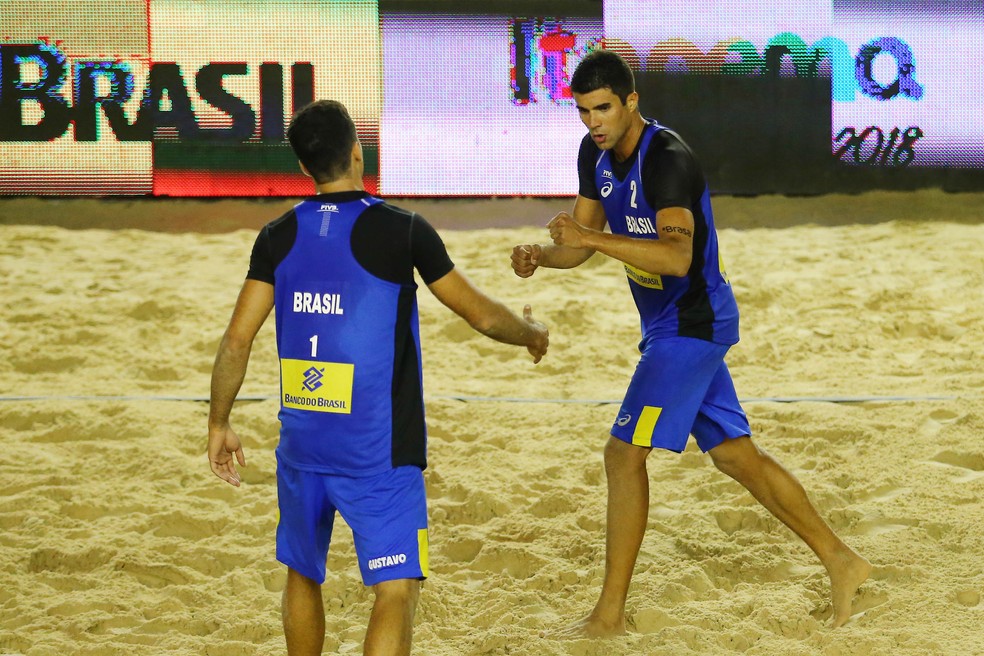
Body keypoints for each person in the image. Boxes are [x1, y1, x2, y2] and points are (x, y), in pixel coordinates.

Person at [511, 49, 870, 636]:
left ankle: (608, 616)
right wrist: (544, 257)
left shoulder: (668, 160)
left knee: (623, 454)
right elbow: (579, 242)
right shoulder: (593, 154)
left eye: (603, 108)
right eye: (582, 112)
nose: (593, 122)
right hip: (668, 327)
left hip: (693, 324)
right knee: (735, 456)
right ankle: (843, 561)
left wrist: (591, 240)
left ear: (632, 102)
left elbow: (677, 257)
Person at [207, 99, 549, 656]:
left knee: (303, 573)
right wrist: (531, 332)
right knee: (395, 589)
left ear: (304, 169)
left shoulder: (277, 235)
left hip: (302, 441)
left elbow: (236, 339)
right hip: (377, 449)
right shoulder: (402, 229)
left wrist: (218, 421)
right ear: (358, 151)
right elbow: (481, 314)